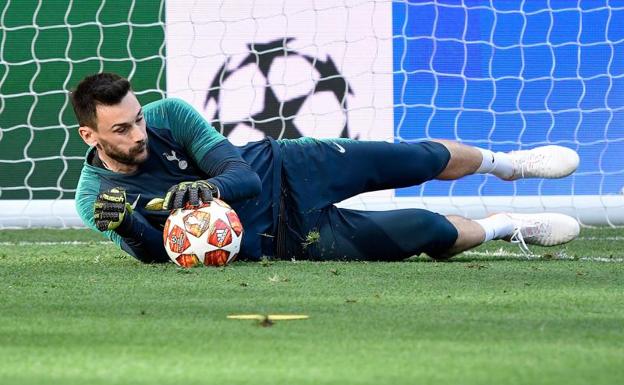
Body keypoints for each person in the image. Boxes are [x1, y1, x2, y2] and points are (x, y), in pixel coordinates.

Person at [72, 73, 580, 264]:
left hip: (290, 168)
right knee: (423, 229)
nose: (138, 134)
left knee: (414, 158)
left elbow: (241, 176)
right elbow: (154, 255)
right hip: (286, 238)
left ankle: (508, 164)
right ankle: (509, 227)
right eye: (122, 131)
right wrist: (129, 222)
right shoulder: (94, 195)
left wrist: (202, 188)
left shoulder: (172, 116)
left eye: (138, 120)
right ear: (90, 136)